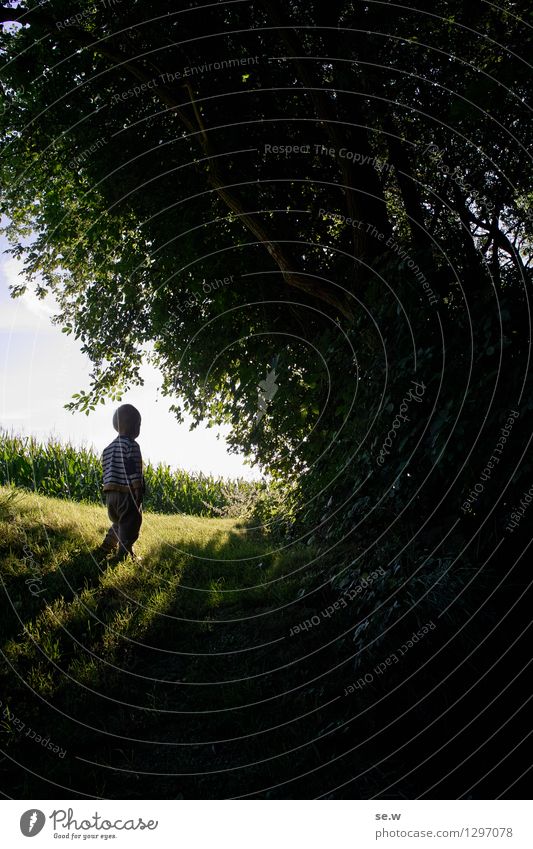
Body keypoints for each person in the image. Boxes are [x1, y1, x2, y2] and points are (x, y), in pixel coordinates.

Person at [97, 403, 145, 561]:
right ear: (133, 426)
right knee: (131, 522)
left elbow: (106, 470)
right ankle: (125, 553)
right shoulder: (132, 445)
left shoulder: (108, 448)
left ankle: (108, 545)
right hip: (127, 492)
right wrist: (137, 487)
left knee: (118, 521)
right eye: (139, 424)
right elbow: (132, 468)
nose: (139, 428)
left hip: (111, 494)